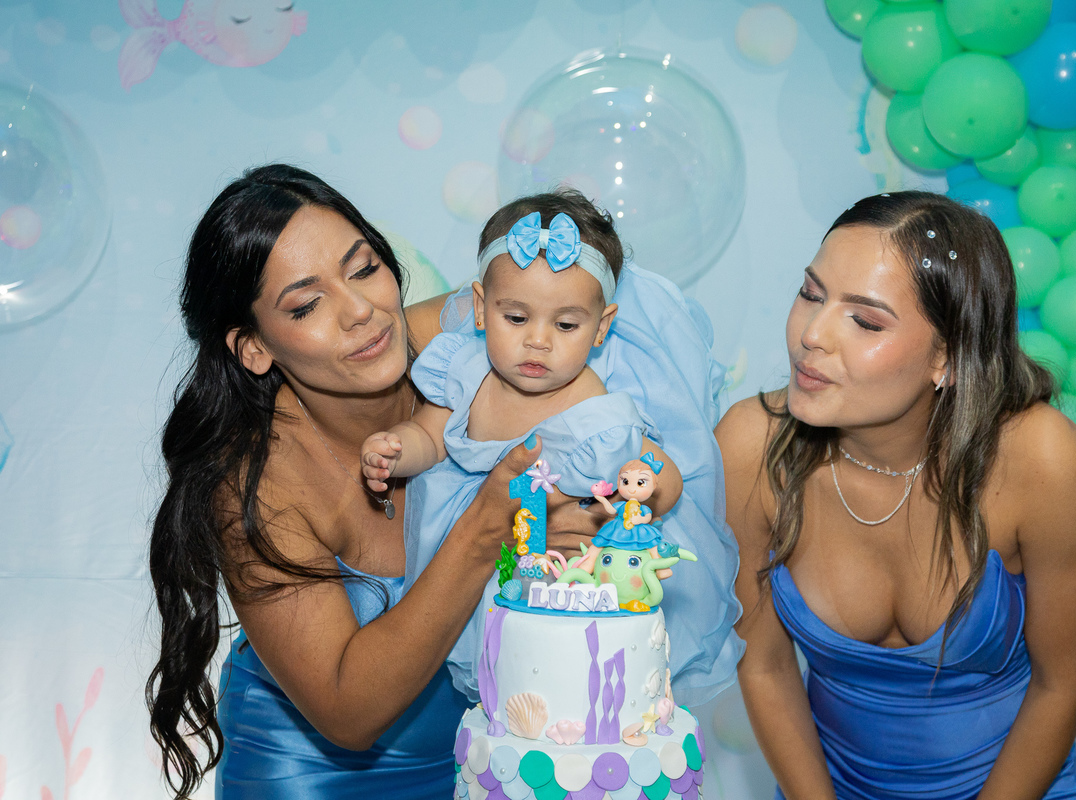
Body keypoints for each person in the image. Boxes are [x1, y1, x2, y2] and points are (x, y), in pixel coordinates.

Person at [145, 165, 600, 800]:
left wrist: (594, 509)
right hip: (313, 777)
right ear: (253, 347)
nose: (361, 310)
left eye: (363, 269)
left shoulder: (474, 341)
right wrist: (488, 529)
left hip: (483, 758)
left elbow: (595, 315)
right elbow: (347, 712)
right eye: (306, 305)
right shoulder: (254, 484)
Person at [718, 191, 1076, 799]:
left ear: (947, 356)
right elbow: (763, 666)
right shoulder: (750, 445)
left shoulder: (1041, 457)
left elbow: (1062, 684)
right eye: (811, 294)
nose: (812, 335)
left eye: (865, 321)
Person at [363, 190, 743, 702]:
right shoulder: (468, 373)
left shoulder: (592, 403)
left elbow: (656, 472)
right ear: (480, 308)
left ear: (601, 328)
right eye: (516, 318)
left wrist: (643, 497)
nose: (538, 341)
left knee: (565, 677)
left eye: (565, 325)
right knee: (507, 685)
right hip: (475, 564)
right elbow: (431, 436)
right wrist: (394, 449)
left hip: (563, 570)